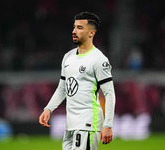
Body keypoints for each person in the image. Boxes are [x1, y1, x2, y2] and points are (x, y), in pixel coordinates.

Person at [39, 11, 116, 150]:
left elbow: (109, 93)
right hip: (70, 124)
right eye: (74, 27)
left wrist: (108, 125)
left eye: (80, 28)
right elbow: (62, 88)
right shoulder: (68, 57)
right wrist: (48, 109)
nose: (74, 31)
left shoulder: (99, 60)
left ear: (91, 33)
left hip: (87, 123)